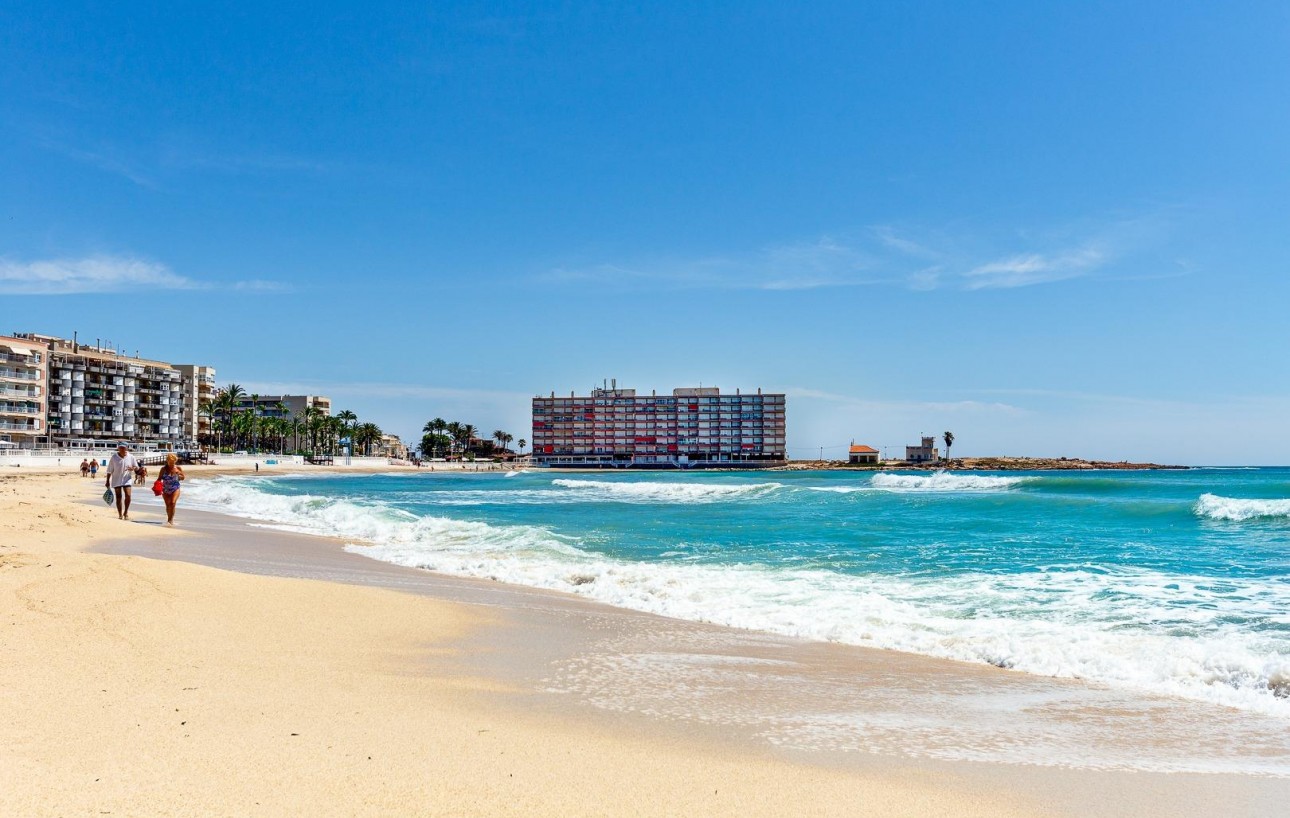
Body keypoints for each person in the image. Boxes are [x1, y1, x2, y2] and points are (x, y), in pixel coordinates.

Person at [105, 444, 139, 520]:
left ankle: (126, 512)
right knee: (118, 497)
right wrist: (107, 481)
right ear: (118, 448)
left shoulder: (131, 457)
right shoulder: (114, 457)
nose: (122, 449)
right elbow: (110, 470)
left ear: (126, 448)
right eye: (120, 448)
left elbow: (136, 467)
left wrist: (132, 468)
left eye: (123, 448)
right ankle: (120, 514)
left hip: (127, 479)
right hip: (116, 479)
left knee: (128, 495)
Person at [158, 453, 185, 526]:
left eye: (173, 462)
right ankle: (169, 518)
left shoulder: (178, 468)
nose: (172, 464)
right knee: (167, 505)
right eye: (170, 462)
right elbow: (159, 479)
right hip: (165, 489)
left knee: (172, 503)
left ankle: (170, 520)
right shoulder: (163, 469)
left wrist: (179, 474)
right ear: (167, 461)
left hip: (175, 488)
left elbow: (183, 477)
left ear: (175, 461)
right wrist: (157, 487)